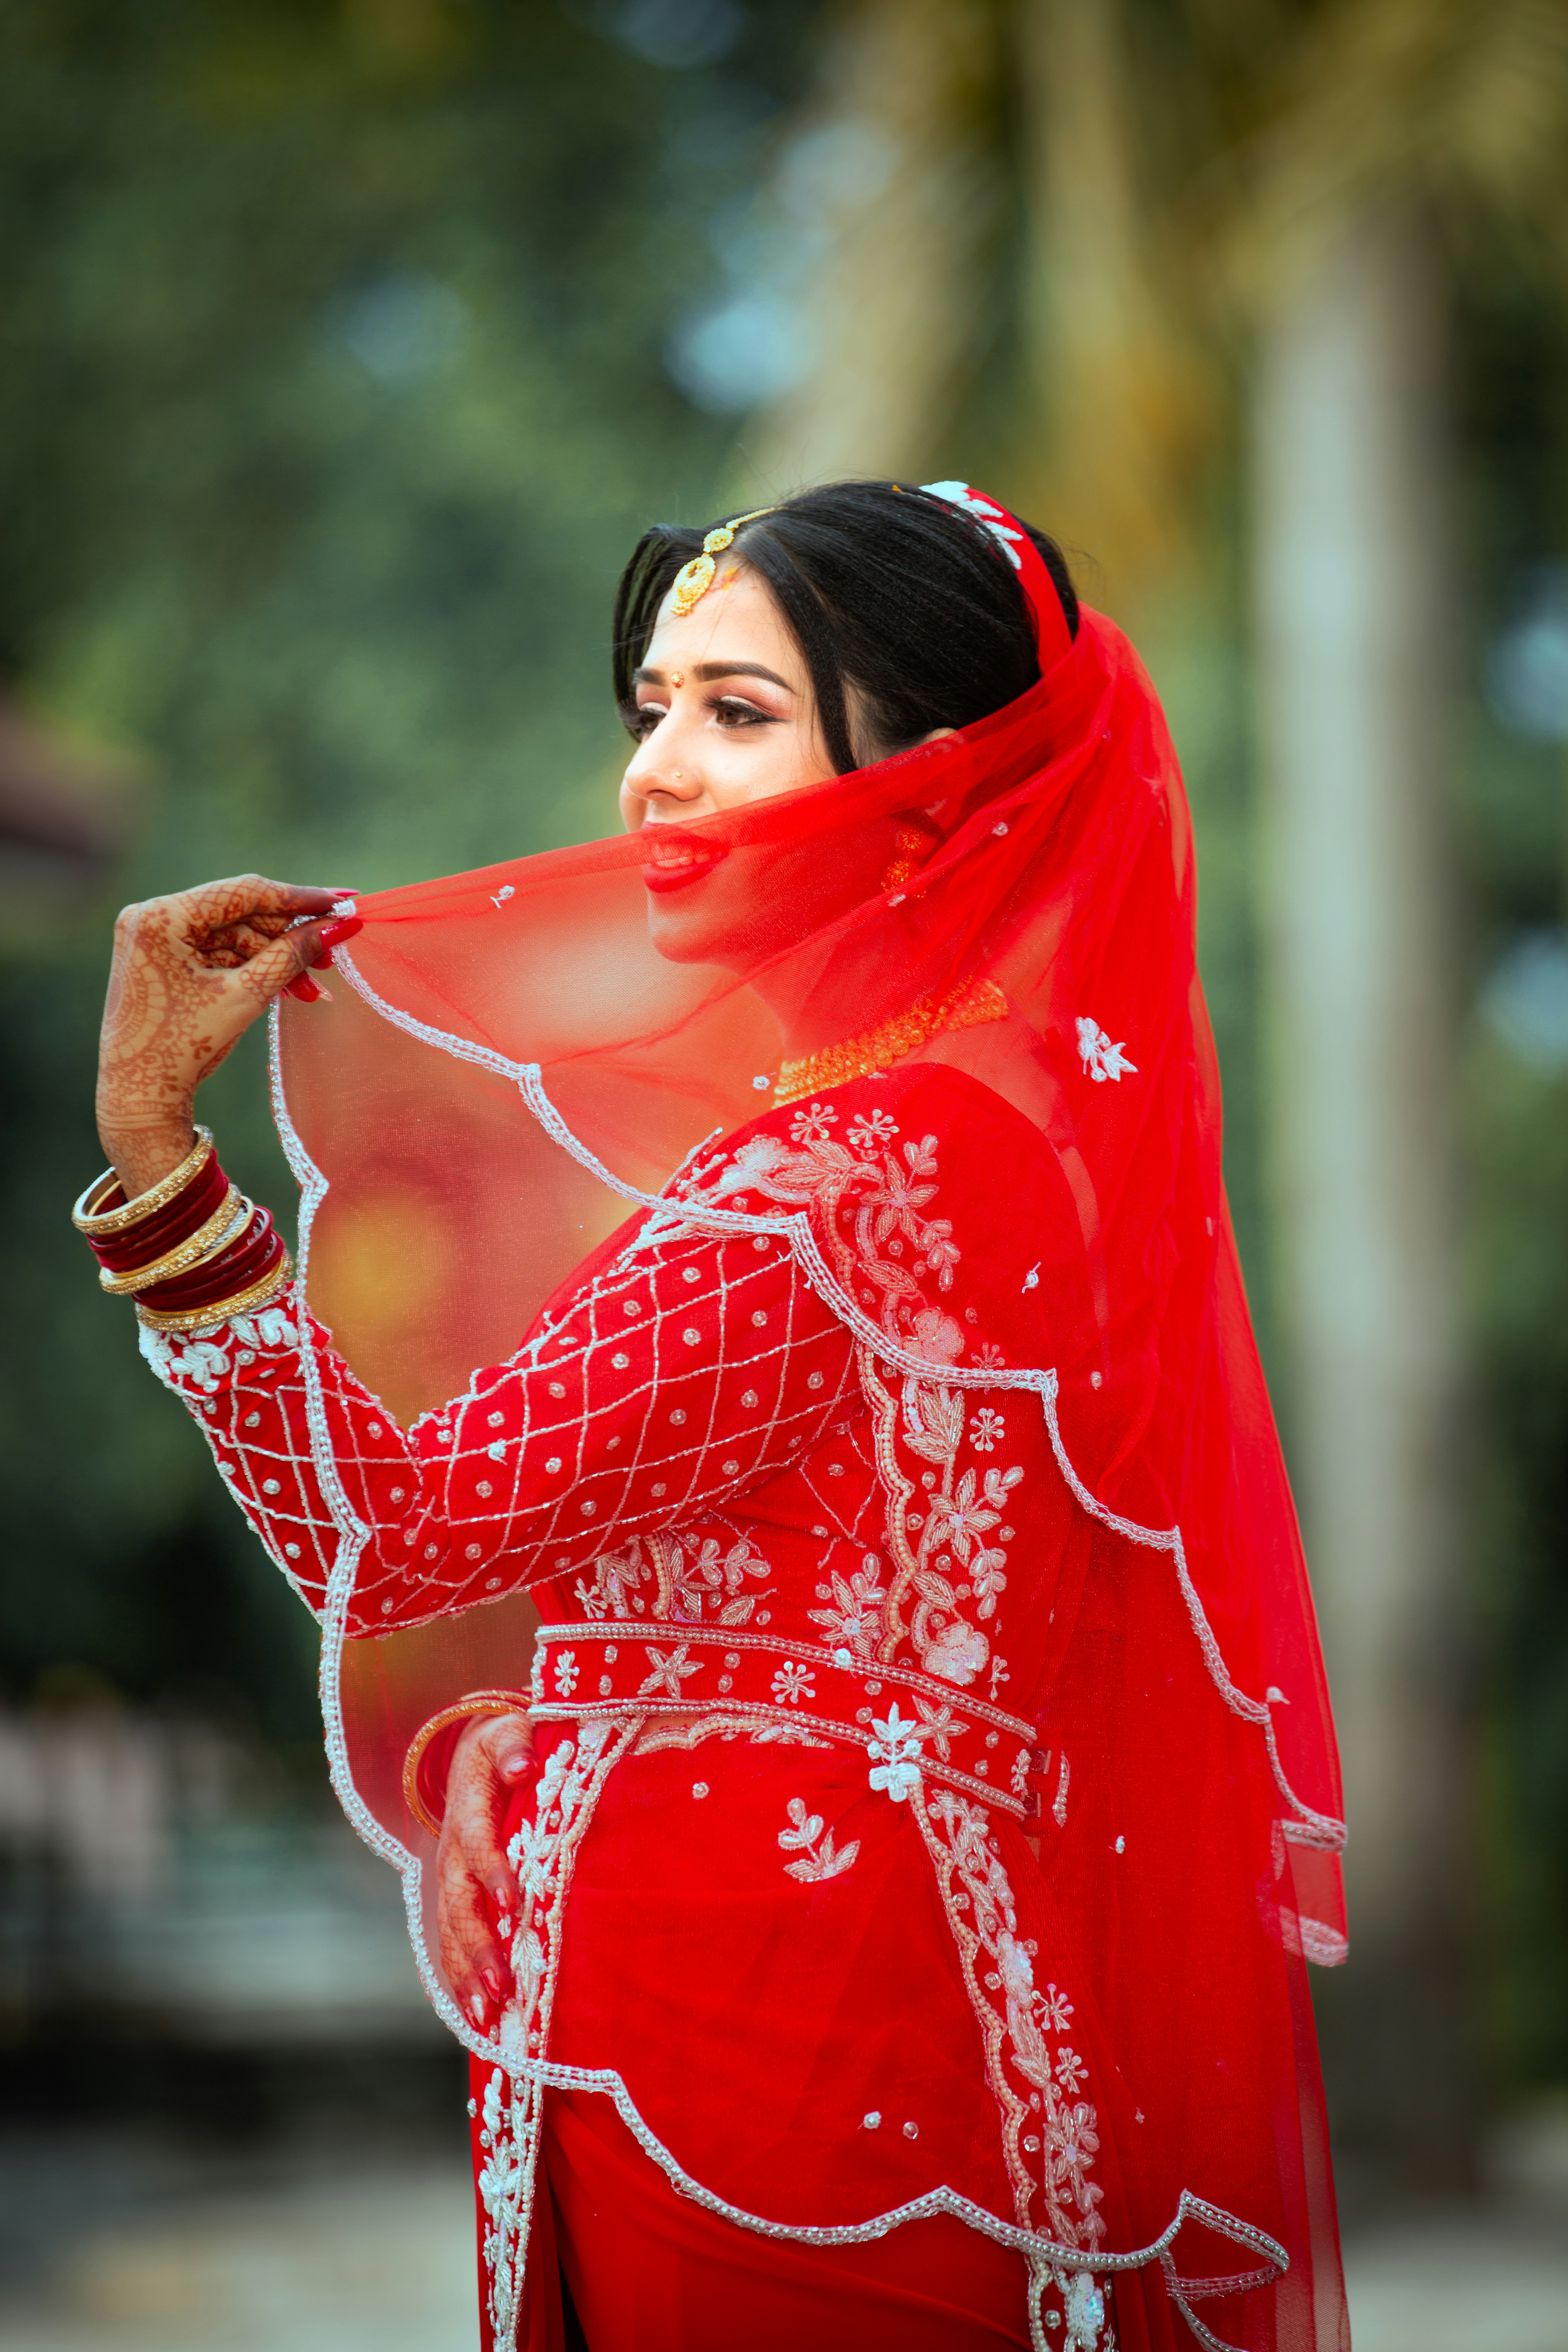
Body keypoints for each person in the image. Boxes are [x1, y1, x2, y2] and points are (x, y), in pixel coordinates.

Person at [81, 480, 1349, 2352]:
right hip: (839, 2022)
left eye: (736, 713)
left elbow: (400, 1540)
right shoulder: (964, 1148)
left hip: (787, 2066)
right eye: (654, 709)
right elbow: (896, 1645)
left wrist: (162, 1175)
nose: (654, 775)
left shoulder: (849, 1177)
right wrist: (589, 1715)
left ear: (944, 783)